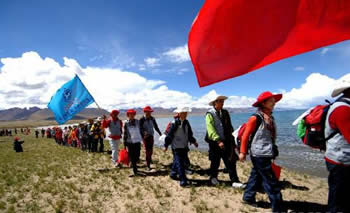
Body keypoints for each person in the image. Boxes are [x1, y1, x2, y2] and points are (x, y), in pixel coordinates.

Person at [239, 91, 283, 212]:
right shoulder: (255, 118)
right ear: (263, 103)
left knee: (256, 176)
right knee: (271, 181)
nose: (274, 102)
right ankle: (278, 208)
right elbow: (245, 135)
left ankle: (248, 197)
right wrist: (242, 152)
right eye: (271, 100)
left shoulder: (270, 117)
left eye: (274, 100)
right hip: (259, 153)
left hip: (265, 152)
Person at [205, 95, 244, 188]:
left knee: (230, 161)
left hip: (226, 141)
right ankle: (213, 178)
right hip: (215, 142)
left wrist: (233, 136)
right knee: (215, 161)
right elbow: (210, 129)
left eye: (223, 101)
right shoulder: (209, 114)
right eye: (220, 101)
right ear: (215, 103)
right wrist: (218, 141)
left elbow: (229, 126)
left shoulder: (225, 112)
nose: (222, 103)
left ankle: (235, 181)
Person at [324, 81, 350, 213]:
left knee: (339, 192)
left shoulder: (342, 106)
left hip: (338, 157)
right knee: (339, 196)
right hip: (341, 160)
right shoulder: (343, 108)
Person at [164, 107, 198, 187]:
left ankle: (173, 173)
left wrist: (194, 141)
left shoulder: (186, 123)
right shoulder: (174, 123)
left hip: (184, 146)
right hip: (176, 147)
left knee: (178, 162)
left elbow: (189, 134)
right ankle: (183, 180)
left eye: (186, 113)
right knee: (180, 163)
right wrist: (166, 145)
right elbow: (169, 136)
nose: (185, 115)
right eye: (183, 113)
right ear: (179, 114)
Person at [139, 106, 162, 170]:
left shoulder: (152, 119)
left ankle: (149, 159)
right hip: (145, 137)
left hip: (151, 136)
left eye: (150, 112)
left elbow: (156, 127)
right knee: (147, 150)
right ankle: (148, 165)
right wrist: (144, 133)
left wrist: (160, 134)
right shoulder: (141, 119)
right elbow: (140, 128)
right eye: (147, 112)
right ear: (145, 112)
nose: (149, 113)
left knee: (151, 150)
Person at [123, 109, 143, 176]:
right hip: (130, 142)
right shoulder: (126, 123)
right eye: (130, 114)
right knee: (132, 156)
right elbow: (125, 133)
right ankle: (135, 170)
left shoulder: (138, 122)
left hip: (137, 141)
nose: (131, 115)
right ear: (128, 115)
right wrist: (124, 143)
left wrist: (143, 137)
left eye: (132, 114)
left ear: (134, 115)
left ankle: (134, 164)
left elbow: (141, 130)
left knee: (137, 155)